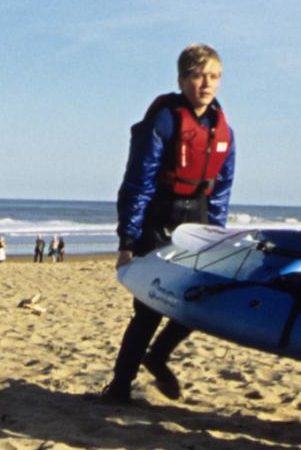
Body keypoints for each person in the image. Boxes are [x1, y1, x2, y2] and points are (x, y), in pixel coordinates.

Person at [100, 43, 234, 403]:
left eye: (214, 76)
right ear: (182, 79)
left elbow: (221, 190)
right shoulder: (163, 120)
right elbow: (137, 182)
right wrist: (128, 240)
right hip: (159, 219)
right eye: (198, 75)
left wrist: (217, 238)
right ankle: (119, 388)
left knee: (199, 301)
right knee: (148, 309)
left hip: (199, 219)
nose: (206, 83)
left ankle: (157, 357)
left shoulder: (223, 130)